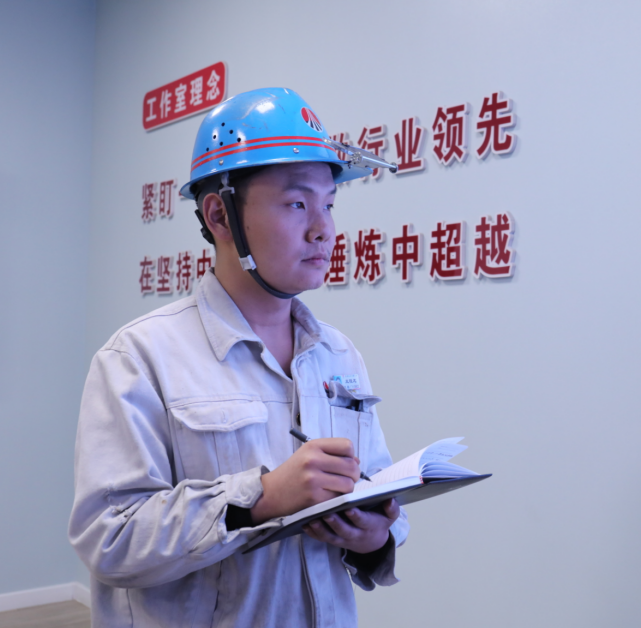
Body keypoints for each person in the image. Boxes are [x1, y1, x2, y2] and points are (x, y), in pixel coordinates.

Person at [69, 87, 408, 627]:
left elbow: (380, 489)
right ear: (220, 216)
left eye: (329, 204)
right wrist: (260, 497)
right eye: (297, 204)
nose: (323, 228)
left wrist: (375, 535)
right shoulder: (139, 357)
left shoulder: (338, 355)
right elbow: (110, 538)